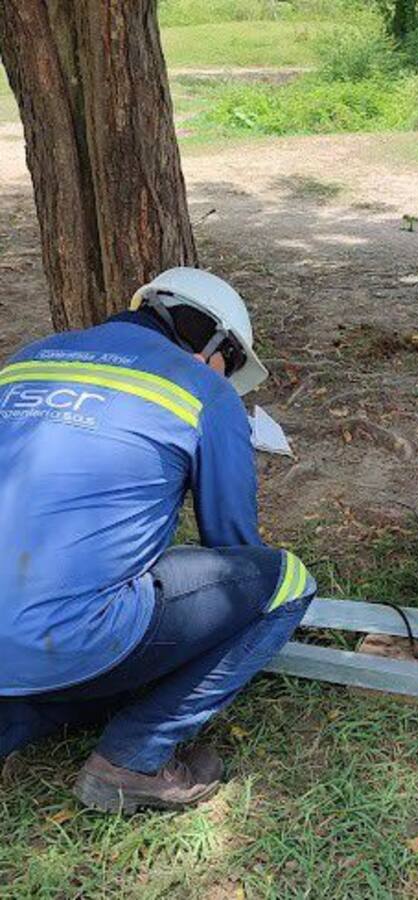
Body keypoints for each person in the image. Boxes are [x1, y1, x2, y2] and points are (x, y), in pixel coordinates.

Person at [0, 268, 316, 814]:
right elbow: (233, 544)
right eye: (231, 366)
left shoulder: (27, 360)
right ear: (215, 345)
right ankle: (133, 758)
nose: (227, 379)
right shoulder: (204, 391)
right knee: (284, 580)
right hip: (68, 636)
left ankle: (23, 716)